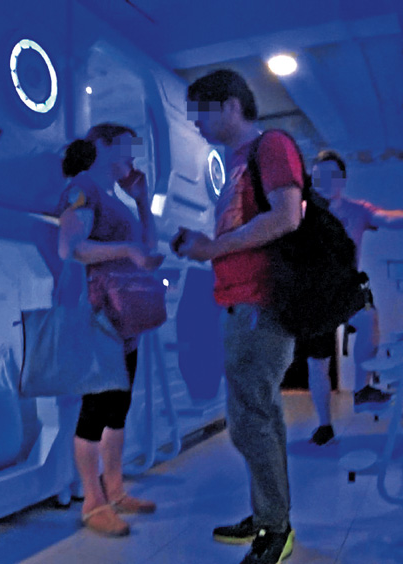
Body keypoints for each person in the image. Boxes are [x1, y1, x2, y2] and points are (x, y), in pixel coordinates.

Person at [174, 69, 300, 564]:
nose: (196, 123)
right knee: (256, 417)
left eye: (201, 112)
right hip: (240, 301)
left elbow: (287, 215)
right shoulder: (236, 163)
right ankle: (268, 513)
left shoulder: (271, 146)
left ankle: (275, 527)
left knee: (250, 419)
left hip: (260, 300)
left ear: (230, 105)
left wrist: (212, 248)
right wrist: (208, 246)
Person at [56, 122, 164, 537]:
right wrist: (127, 249)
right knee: (96, 409)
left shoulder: (115, 198)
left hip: (124, 319)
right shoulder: (82, 188)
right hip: (99, 315)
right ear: (100, 146)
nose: (131, 158)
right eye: (124, 148)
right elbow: (70, 248)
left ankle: (114, 490)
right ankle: (92, 501)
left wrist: (142, 201)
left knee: (118, 408)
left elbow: (148, 245)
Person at [303, 150, 403, 446]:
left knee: (368, 317)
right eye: (318, 176)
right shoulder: (302, 213)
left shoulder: (357, 210)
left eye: (330, 175)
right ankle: (325, 425)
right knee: (317, 363)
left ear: (342, 180)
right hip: (315, 295)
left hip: (346, 288)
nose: (324, 181)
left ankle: (361, 390)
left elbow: (387, 217)